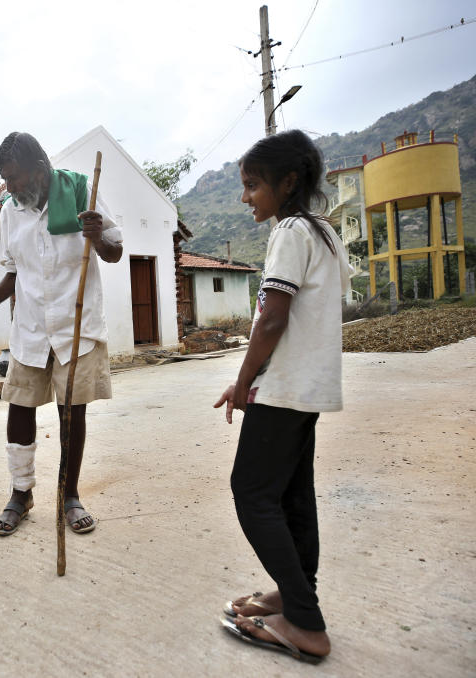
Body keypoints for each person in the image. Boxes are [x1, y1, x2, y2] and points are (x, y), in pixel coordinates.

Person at [214, 130, 350, 663]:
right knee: (292, 496)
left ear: (286, 182)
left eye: (252, 185)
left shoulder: (290, 231)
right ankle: (297, 596)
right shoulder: (324, 232)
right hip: (305, 386)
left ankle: (305, 625)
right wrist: (247, 378)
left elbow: (272, 317)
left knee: (251, 492)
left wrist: (246, 382)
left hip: (285, 388)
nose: (246, 196)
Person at [0, 131, 122, 537]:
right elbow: (14, 270)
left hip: (75, 324)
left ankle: (69, 495)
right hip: (29, 326)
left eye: (16, 179)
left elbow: (114, 251)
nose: (10, 189)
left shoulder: (82, 190)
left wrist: (97, 235)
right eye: (5, 181)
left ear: (40, 170)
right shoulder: (10, 210)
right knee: (19, 407)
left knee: (71, 411)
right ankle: (21, 493)